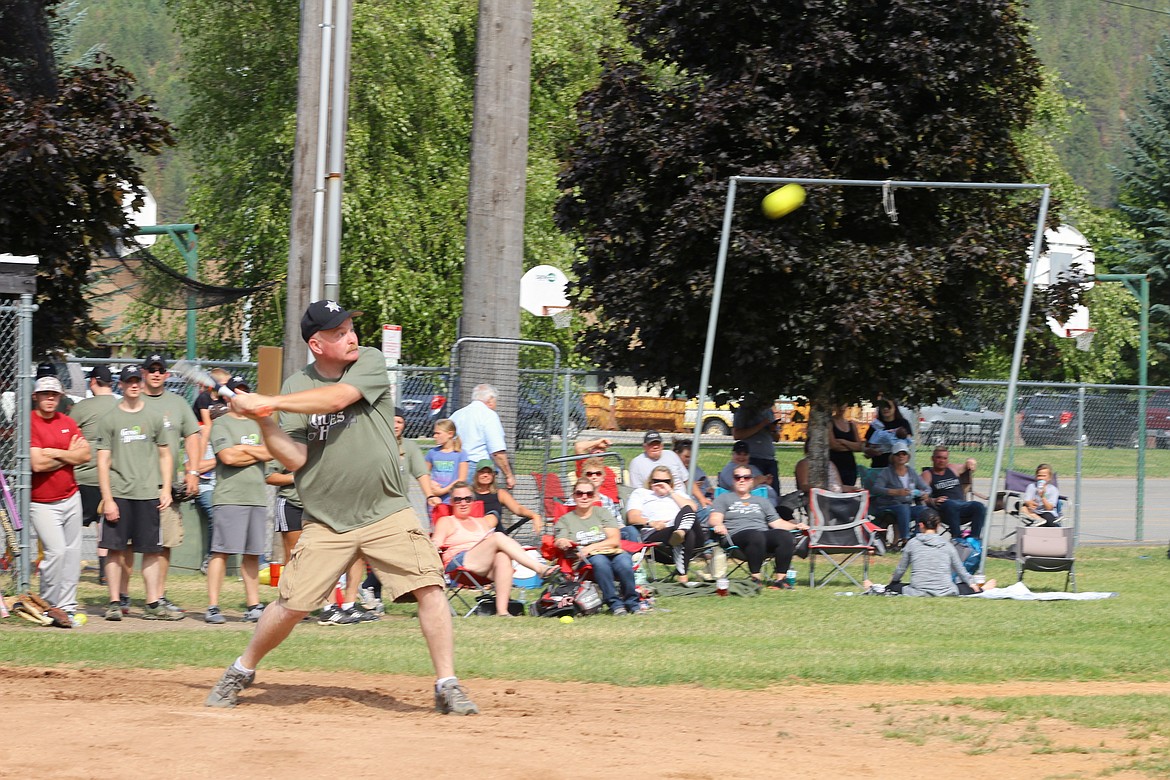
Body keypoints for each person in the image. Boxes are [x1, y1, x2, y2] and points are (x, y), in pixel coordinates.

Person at [206, 300, 478, 714]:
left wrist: (271, 403)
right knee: (291, 605)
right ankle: (241, 670)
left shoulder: (366, 362)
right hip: (327, 521)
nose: (351, 336)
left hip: (386, 510)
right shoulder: (296, 387)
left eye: (351, 327)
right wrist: (264, 418)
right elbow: (295, 459)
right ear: (316, 344)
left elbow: (336, 400)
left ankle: (447, 683)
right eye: (339, 332)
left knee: (430, 586)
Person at [94, 366, 178, 621]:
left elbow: (165, 454)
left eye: (136, 381)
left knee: (151, 550)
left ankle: (153, 602)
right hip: (120, 492)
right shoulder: (110, 419)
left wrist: (165, 488)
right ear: (120, 385)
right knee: (115, 549)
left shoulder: (153, 416)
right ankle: (114, 602)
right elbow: (102, 461)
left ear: (141, 384)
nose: (133, 385)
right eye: (128, 381)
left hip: (147, 493)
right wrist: (108, 499)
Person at [431, 481, 558, 616]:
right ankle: (540, 569)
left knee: (502, 556)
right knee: (497, 536)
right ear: (451, 502)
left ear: (473, 501)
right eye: (458, 499)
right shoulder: (446, 521)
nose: (463, 503)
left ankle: (502, 611)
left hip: (483, 566)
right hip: (458, 564)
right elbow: (436, 542)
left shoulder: (481, 522)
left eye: (467, 499)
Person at [204, 377, 273, 625]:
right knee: (221, 552)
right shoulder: (221, 424)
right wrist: (255, 453)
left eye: (245, 391)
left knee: (253, 554)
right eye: (236, 392)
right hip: (230, 497)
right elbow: (228, 457)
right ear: (227, 397)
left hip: (256, 497)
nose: (240, 396)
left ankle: (253, 605)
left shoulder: (260, 423)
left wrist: (244, 451)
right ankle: (212, 606)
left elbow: (270, 451)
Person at [141, 353, 202, 614]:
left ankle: (159, 596)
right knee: (127, 544)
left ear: (166, 374)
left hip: (165, 484)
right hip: (134, 484)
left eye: (160, 369)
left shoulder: (177, 404)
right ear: (143, 373)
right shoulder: (132, 401)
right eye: (151, 369)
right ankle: (118, 597)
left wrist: (193, 471)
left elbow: (193, 436)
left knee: (164, 543)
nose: (156, 373)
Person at [28, 376, 90, 624]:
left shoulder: (67, 422)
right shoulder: (30, 423)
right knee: (55, 552)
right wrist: (69, 455)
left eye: (54, 394)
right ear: (36, 397)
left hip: (70, 496)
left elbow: (85, 454)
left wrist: (56, 453)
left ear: (61, 396)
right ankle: (49, 605)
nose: (50, 398)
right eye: (45, 394)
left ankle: (68, 606)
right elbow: (37, 463)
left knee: (73, 554)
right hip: (42, 501)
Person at [709, 465, 809, 588]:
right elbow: (714, 518)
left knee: (785, 536)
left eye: (746, 477)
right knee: (755, 536)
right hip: (735, 536)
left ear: (751, 481)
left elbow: (777, 523)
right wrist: (718, 525)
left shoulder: (761, 501)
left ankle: (780, 580)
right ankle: (755, 579)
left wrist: (796, 526)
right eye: (737, 477)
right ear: (733, 480)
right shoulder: (724, 498)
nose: (742, 480)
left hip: (761, 535)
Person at [553, 478, 640, 615]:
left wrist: (591, 547)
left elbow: (614, 539)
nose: (584, 497)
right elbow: (560, 539)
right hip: (585, 560)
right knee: (600, 561)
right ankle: (615, 604)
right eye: (579, 493)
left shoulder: (602, 513)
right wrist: (562, 542)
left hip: (611, 551)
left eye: (589, 494)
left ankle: (633, 604)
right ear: (573, 496)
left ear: (594, 496)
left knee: (624, 561)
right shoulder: (566, 519)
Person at [67, 366, 119, 584]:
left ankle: (67, 568)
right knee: (105, 525)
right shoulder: (121, 405)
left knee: (72, 526)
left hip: (83, 476)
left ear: (92, 382)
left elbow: (67, 433)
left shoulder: (83, 407)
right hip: (113, 477)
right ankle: (105, 572)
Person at [865, 511, 996, 596]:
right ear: (938, 526)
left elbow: (901, 569)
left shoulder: (913, 543)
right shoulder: (947, 545)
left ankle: (874, 587)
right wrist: (972, 584)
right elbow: (960, 569)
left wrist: (892, 583)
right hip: (945, 590)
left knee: (896, 587)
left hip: (918, 591)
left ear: (920, 525)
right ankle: (983, 589)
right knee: (962, 588)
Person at [625, 465, 700, 584]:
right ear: (650, 482)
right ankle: (683, 574)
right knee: (688, 533)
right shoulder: (641, 493)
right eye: (656, 481)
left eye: (665, 481)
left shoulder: (678, 494)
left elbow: (693, 509)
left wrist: (670, 492)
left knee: (687, 509)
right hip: (658, 534)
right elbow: (632, 517)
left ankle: (680, 532)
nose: (661, 484)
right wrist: (651, 523)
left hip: (683, 533)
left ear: (671, 483)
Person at [449, 383, 515, 489]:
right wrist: (509, 475)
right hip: (478, 468)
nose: (495, 405)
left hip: (455, 466)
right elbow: (497, 452)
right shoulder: (489, 415)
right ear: (490, 400)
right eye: (495, 401)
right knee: (477, 504)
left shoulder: (457, 414)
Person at [871, 440, 930, 545]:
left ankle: (917, 537)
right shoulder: (887, 472)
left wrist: (924, 493)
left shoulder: (911, 472)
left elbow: (926, 488)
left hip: (906, 506)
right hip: (888, 506)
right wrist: (896, 492)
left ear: (908, 456)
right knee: (903, 508)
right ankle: (905, 539)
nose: (901, 456)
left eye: (904, 454)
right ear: (893, 457)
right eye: (898, 454)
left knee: (923, 510)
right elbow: (876, 489)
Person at [921, 447, 984, 538]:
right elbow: (922, 496)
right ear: (932, 458)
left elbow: (967, 465)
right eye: (938, 457)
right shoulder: (927, 474)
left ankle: (974, 539)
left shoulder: (952, 468)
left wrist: (971, 461)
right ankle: (957, 538)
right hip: (943, 508)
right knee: (951, 504)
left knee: (979, 506)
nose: (942, 460)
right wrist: (933, 500)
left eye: (945, 458)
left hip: (962, 505)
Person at [469, 459, 541, 534]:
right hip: (474, 533)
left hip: (496, 535)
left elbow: (518, 508)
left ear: (493, 475)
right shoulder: (469, 493)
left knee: (493, 515)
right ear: (476, 474)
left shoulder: (500, 493)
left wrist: (534, 515)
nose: (485, 475)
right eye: (482, 472)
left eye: (489, 472)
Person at [732, 398, 781, 492]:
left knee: (773, 492)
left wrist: (773, 429)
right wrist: (761, 425)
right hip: (753, 459)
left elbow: (777, 438)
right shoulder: (744, 412)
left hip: (770, 460)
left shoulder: (769, 412)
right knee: (756, 490)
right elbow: (737, 435)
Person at [426, 418, 469, 503]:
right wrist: (431, 483)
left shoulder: (460, 454)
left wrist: (443, 491)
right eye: (434, 433)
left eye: (438, 433)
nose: (435, 436)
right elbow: (423, 474)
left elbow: (461, 479)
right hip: (435, 499)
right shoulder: (432, 453)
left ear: (450, 434)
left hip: (452, 499)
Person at [864, 399, 913, 470]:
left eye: (888, 406)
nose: (885, 409)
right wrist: (869, 451)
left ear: (895, 407)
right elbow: (865, 447)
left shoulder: (903, 423)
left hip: (897, 468)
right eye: (882, 406)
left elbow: (907, 444)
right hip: (879, 467)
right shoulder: (875, 425)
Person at [827, 405, 864, 487]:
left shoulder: (851, 425)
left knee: (849, 491)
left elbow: (859, 447)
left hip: (850, 465)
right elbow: (834, 446)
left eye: (843, 405)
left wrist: (844, 441)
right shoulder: (829, 423)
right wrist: (852, 446)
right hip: (834, 464)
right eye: (838, 405)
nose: (841, 408)